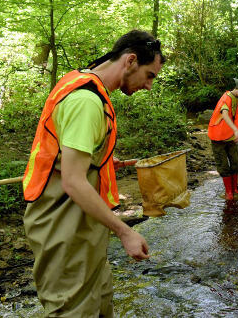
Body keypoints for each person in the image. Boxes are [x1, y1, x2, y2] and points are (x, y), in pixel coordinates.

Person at [22, 30, 164, 317]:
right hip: (64, 228)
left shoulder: (83, 81)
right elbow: (74, 181)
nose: (149, 86)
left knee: (100, 306)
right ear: (131, 61)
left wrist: (100, 162)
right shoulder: (86, 101)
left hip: (84, 229)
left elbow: (69, 156)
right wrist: (125, 231)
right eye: (149, 75)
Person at [207, 76, 238, 200]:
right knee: (223, 166)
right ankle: (228, 192)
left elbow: (237, 115)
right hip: (218, 138)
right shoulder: (226, 98)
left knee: (236, 163)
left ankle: (234, 188)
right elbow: (224, 114)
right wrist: (235, 130)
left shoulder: (237, 99)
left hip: (229, 137)